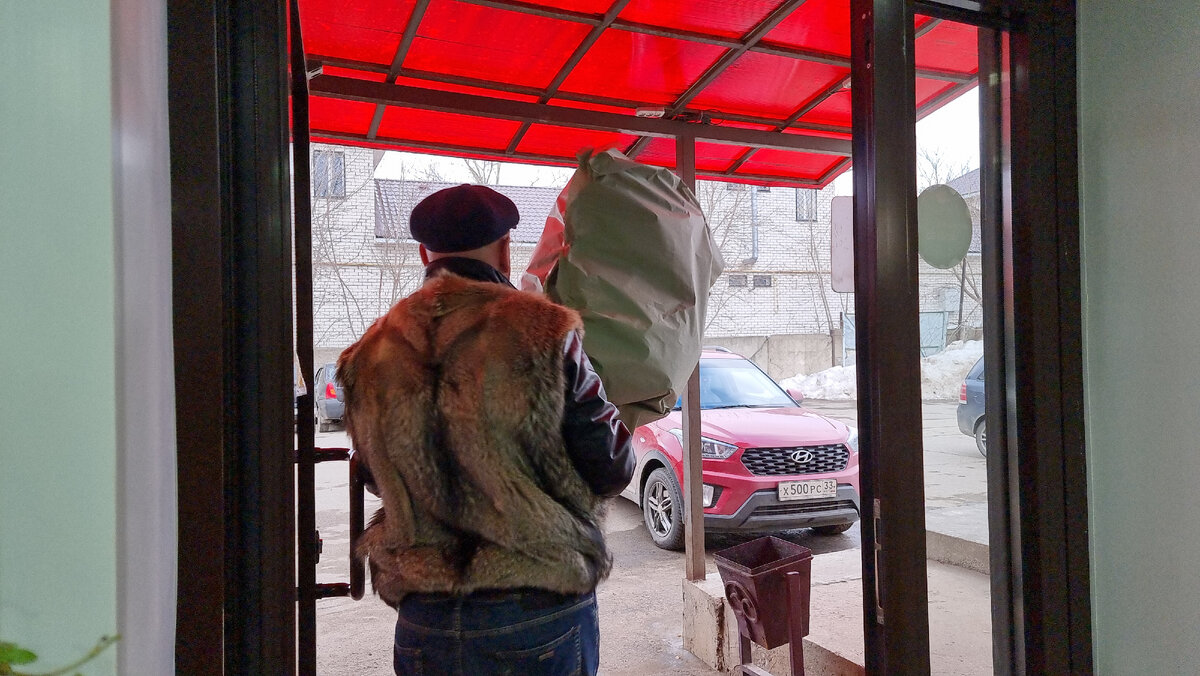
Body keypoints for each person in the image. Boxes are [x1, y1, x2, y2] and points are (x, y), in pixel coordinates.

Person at [337, 183, 635, 676]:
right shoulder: (543, 328)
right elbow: (610, 467)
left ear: (422, 254)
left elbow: (372, 472)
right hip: (535, 606)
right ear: (504, 249)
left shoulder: (370, 351)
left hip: (423, 617)